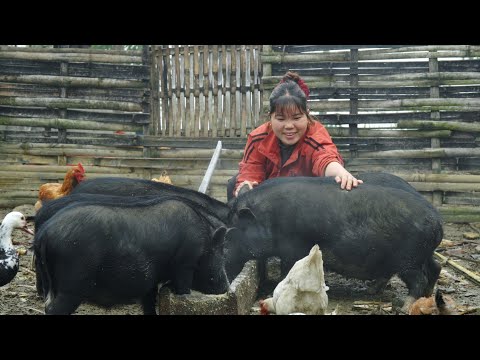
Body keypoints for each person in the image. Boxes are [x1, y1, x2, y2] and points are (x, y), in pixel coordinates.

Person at [227, 71, 362, 201]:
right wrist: (246, 186)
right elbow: (251, 172)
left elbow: (325, 158)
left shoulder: (315, 133)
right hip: (267, 201)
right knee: (233, 184)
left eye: (296, 118)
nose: (289, 126)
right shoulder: (258, 138)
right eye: (281, 119)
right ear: (270, 117)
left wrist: (341, 173)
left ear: (307, 115)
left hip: (303, 200)